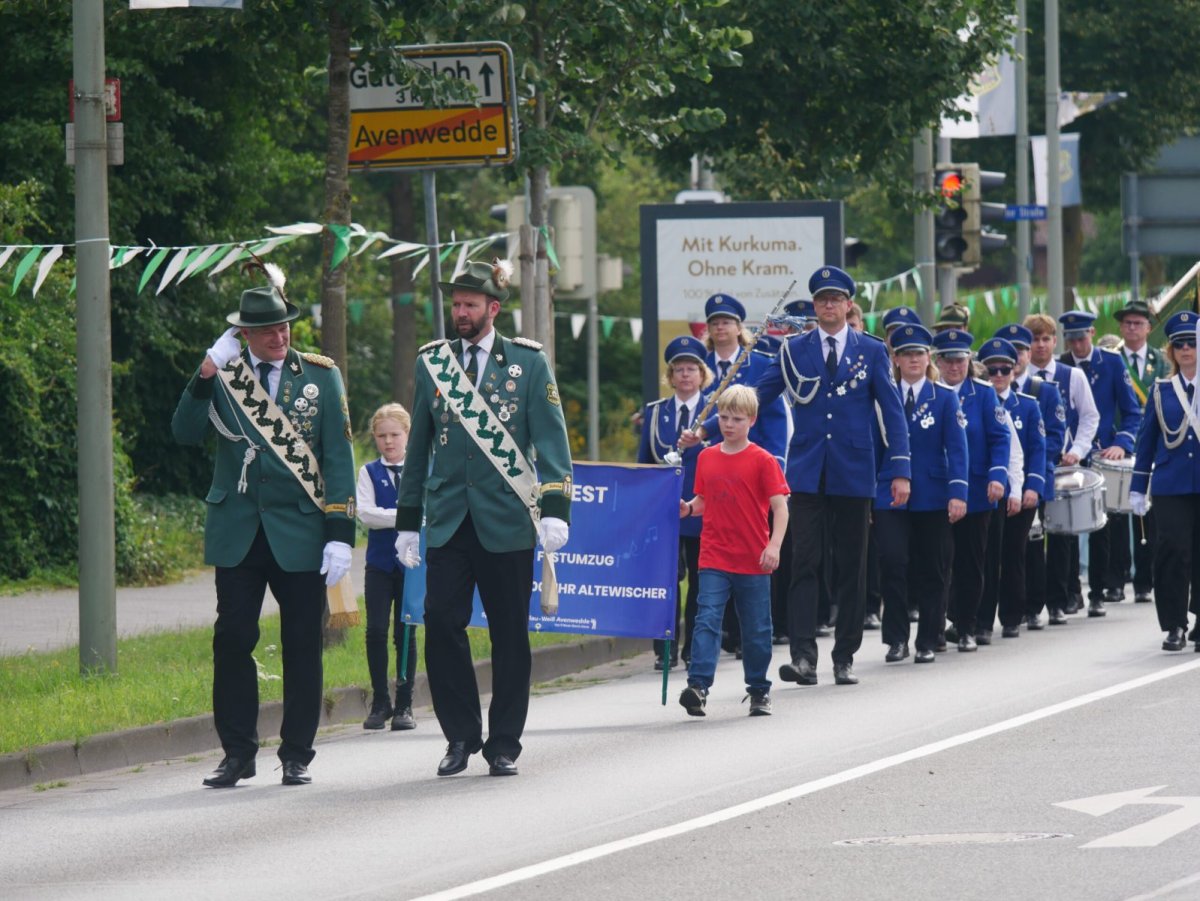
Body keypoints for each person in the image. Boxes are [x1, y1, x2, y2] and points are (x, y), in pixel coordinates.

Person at [171, 270, 356, 788]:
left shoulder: (321, 376)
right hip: (238, 529)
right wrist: (206, 370)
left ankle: (296, 752)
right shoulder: (226, 376)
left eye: (285, 327)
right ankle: (237, 753)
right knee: (232, 638)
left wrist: (341, 532)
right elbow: (184, 433)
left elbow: (338, 459)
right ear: (243, 335)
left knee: (301, 642)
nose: (281, 336)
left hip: (299, 530)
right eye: (269, 330)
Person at [394, 259, 573, 779]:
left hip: (507, 519)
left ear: (494, 308)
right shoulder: (433, 364)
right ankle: (460, 735)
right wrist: (409, 521)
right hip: (449, 518)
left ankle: (504, 743)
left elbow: (552, 444)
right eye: (456, 304)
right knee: (442, 623)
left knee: (510, 634)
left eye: (470, 304)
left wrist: (555, 510)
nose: (461, 313)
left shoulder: (528, 364)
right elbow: (419, 446)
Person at [694, 265, 911, 687]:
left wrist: (899, 469)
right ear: (814, 306)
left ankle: (845, 654)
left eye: (836, 299)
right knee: (804, 564)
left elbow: (892, 412)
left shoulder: (870, 350)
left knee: (851, 565)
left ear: (848, 305)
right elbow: (756, 397)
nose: (829, 305)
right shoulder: (793, 350)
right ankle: (804, 656)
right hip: (807, 472)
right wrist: (704, 429)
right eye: (822, 299)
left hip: (853, 470)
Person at [678, 385, 790, 717]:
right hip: (714, 554)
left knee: (756, 628)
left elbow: (780, 509)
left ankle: (758, 689)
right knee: (707, 619)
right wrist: (689, 508)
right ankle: (698, 686)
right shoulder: (706, 456)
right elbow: (704, 500)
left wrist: (774, 546)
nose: (728, 425)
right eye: (724, 418)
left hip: (753, 557)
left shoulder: (763, 460)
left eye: (736, 419)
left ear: (751, 421)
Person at [701, 292, 789, 657]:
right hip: (715, 470)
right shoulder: (700, 366)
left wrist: (776, 473)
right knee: (718, 557)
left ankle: (751, 637)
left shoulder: (759, 364)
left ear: (739, 327)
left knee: (755, 553)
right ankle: (719, 638)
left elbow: (777, 422)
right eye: (715, 322)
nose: (721, 328)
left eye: (727, 322)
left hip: (756, 471)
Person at [874, 325, 967, 664]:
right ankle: (896, 639)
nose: (913, 359)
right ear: (895, 359)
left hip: (932, 493)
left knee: (933, 567)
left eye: (919, 353)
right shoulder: (882, 397)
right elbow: (873, 446)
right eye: (906, 353)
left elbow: (957, 449)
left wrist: (958, 493)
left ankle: (929, 637)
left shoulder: (944, 397)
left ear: (928, 357)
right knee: (892, 563)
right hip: (889, 493)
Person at [1058, 310, 1142, 617]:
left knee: (1100, 525)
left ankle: (1099, 590)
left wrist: (1121, 443)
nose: (1078, 344)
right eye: (1072, 339)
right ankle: (1070, 591)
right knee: (1064, 524)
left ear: (1092, 333)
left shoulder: (1111, 362)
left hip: (1103, 453)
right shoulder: (1062, 366)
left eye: (1082, 337)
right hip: (1069, 454)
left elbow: (1132, 412)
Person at [931, 329, 1010, 652]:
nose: (954, 367)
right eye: (948, 360)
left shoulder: (983, 393)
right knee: (938, 561)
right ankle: (936, 626)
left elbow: (1000, 437)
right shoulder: (930, 392)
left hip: (976, 491)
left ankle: (967, 625)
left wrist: (997, 475)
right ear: (938, 361)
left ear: (969, 361)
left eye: (960, 360)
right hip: (936, 490)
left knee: (970, 561)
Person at [638, 335, 712, 670]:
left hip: (703, 508)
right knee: (666, 579)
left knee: (700, 580)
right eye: (679, 369)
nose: (685, 375)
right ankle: (664, 648)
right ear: (671, 376)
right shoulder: (655, 413)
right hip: (666, 511)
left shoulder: (716, 412)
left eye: (691, 369)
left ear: (702, 374)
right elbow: (644, 465)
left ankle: (693, 648)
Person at [1130, 312, 1200, 652]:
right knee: (1172, 553)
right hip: (1171, 484)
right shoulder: (1162, 390)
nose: (1187, 349)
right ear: (1171, 350)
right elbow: (1146, 442)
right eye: (1180, 344)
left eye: (1192, 342)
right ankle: (1174, 624)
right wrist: (1136, 488)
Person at [1025, 312, 1099, 624]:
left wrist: (1077, 450)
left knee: (1060, 536)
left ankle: (1059, 600)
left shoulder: (1072, 375)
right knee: (1030, 537)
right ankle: (1031, 603)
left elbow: (1089, 416)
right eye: (1035, 340)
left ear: (1055, 342)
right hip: (1028, 468)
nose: (1041, 345)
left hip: (1062, 464)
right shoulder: (1022, 377)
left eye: (1046, 339)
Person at [997, 323, 1067, 630]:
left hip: (1033, 478)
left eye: (1021, 351)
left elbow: (1053, 437)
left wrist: (1032, 478)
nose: (1016, 358)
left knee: (1034, 545)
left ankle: (1035, 605)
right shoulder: (992, 386)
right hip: (1002, 480)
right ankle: (1012, 604)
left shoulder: (1043, 391)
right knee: (1006, 549)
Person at [976, 338, 1046, 641]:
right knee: (987, 557)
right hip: (986, 493)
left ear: (1014, 372)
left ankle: (1012, 615)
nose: (999, 376)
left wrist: (1032, 487)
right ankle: (982, 619)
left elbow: (1036, 450)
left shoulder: (1027, 406)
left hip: (1017, 491)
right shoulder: (977, 399)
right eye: (992, 370)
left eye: (1005, 369)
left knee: (1014, 554)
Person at [356, 403, 418, 731]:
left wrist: (390, 515)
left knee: (405, 631)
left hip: (411, 564)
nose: (389, 442)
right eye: (382, 436)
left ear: (407, 435)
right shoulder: (369, 472)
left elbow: (427, 513)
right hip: (379, 563)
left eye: (395, 434)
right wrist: (405, 516)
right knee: (376, 630)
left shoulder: (419, 470)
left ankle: (405, 702)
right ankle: (381, 701)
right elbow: (365, 514)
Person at [1115, 300, 1160, 603]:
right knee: (1119, 512)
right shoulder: (1112, 360)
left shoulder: (1163, 361)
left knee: (1150, 515)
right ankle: (1116, 579)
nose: (1132, 328)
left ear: (1149, 327)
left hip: (1157, 442)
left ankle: (1145, 579)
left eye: (1138, 323)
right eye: (1127, 323)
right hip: (1124, 443)